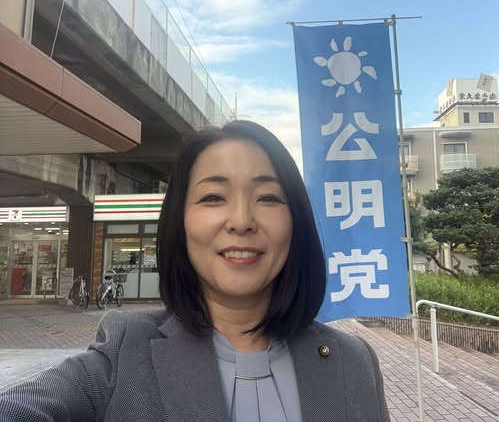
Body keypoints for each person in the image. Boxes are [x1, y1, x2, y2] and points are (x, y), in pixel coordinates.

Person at [0, 120, 390, 421]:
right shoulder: (125, 352)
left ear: (297, 222)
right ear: (180, 221)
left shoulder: (354, 362)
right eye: (213, 197)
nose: (242, 221)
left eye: (269, 197)